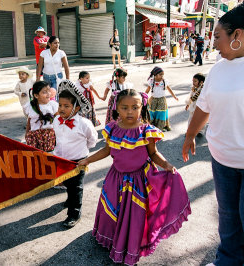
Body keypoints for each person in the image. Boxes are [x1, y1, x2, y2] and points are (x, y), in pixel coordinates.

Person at [79, 89, 191, 265]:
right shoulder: (113, 128)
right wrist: (88, 159)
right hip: (115, 179)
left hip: (138, 183)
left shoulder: (147, 131)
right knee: (112, 211)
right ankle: (110, 238)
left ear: (142, 107)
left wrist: (167, 165)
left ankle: (128, 245)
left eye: (134, 107)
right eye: (124, 107)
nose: (129, 111)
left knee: (133, 216)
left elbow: (154, 154)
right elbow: (106, 150)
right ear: (117, 108)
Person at [182, 4, 244, 265]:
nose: (213, 43)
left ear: (237, 36)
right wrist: (188, 136)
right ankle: (227, 260)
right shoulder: (218, 69)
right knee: (228, 217)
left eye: (218, 36)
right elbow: (203, 108)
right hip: (222, 161)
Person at [53, 80, 98, 228]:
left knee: (76, 187)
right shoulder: (56, 121)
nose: (62, 109)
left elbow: (92, 139)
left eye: (66, 106)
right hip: (61, 159)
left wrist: (84, 153)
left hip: (78, 161)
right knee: (66, 182)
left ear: (76, 108)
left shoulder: (83, 123)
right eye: (60, 105)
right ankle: (70, 199)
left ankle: (74, 213)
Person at [24, 81, 58, 152]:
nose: (48, 93)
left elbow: (58, 119)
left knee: (49, 155)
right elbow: (29, 122)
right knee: (36, 155)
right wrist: (27, 134)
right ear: (36, 95)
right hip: (34, 137)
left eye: (49, 91)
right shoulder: (31, 106)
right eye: (44, 92)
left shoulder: (52, 105)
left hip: (49, 137)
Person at [145, 66, 179, 131]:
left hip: (162, 100)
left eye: (163, 75)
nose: (162, 76)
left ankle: (161, 126)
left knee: (161, 113)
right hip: (153, 100)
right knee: (152, 112)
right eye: (160, 75)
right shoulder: (151, 81)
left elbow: (169, 89)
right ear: (155, 75)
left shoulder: (164, 81)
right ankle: (152, 125)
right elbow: (148, 90)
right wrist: (144, 96)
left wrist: (174, 96)